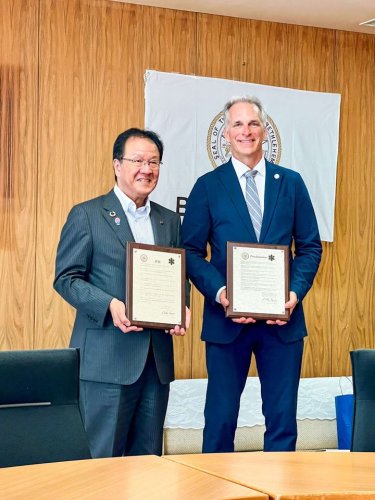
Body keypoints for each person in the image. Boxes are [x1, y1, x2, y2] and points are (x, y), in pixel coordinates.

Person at [181, 96, 322, 452]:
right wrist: (220, 292)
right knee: (220, 420)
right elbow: (191, 253)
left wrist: (294, 293)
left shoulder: (291, 183)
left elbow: (309, 247)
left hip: (283, 322)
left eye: (253, 124)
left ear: (265, 130)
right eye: (238, 125)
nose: (246, 131)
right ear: (226, 134)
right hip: (227, 323)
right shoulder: (207, 186)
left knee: (282, 422)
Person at [54, 128, 190, 458]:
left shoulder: (168, 221)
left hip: (155, 365)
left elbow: (177, 275)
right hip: (106, 364)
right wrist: (110, 305)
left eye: (154, 161)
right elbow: (66, 278)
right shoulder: (87, 215)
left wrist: (181, 305)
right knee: (102, 466)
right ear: (117, 165)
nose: (147, 168)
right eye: (138, 160)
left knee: (147, 467)